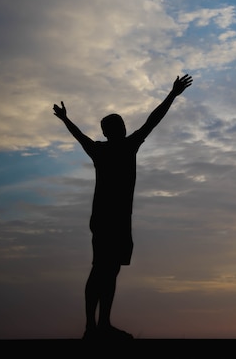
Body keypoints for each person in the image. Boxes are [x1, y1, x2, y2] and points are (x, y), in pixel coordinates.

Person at [53, 74, 193, 340]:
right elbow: (152, 120)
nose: (123, 128)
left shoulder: (112, 148)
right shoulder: (116, 148)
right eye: (118, 125)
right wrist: (172, 95)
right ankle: (93, 327)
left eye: (121, 124)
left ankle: (100, 325)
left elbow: (151, 121)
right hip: (108, 220)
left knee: (109, 270)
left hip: (114, 219)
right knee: (102, 270)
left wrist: (65, 120)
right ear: (110, 131)